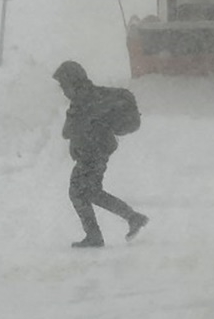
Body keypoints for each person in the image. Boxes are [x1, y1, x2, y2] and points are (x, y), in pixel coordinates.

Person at [53, 60, 149, 248]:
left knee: (78, 193)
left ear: (72, 82)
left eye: (64, 85)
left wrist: (78, 125)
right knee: (91, 192)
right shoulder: (90, 96)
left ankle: (96, 235)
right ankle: (131, 218)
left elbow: (68, 131)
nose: (63, 90)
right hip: (95, 152)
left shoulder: (84, 99)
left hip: (92, 154)